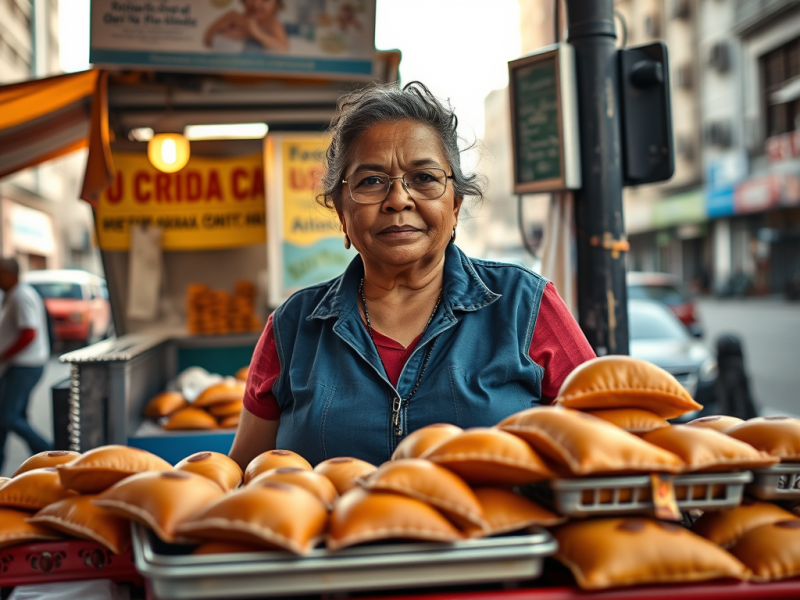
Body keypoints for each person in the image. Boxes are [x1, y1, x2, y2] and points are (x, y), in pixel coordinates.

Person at [230, 82, 596, 469]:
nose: (398, 199)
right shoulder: (292, 327)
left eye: (423, 178)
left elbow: (608, 446)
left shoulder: (525, 304)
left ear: (454, 205)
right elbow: (240, 477)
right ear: (341, 213)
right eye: (370, 181)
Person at [0, 258, 52, 472]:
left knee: (8, 416)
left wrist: (4, 354)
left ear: (10, 274)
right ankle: (42, 461)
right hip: (18, 366)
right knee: (11, 416)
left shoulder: (21, 295)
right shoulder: (13, 295)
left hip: (23, 366)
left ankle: (50, 452)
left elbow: (29, 332)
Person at [203, 0, 289, 52]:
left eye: (265, 0)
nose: (256, 4)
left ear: (276, 6)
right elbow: (207, 40)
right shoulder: (232, 16)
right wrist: (222, 28)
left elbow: (283, 50)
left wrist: (257, 33)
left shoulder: (272, 23)